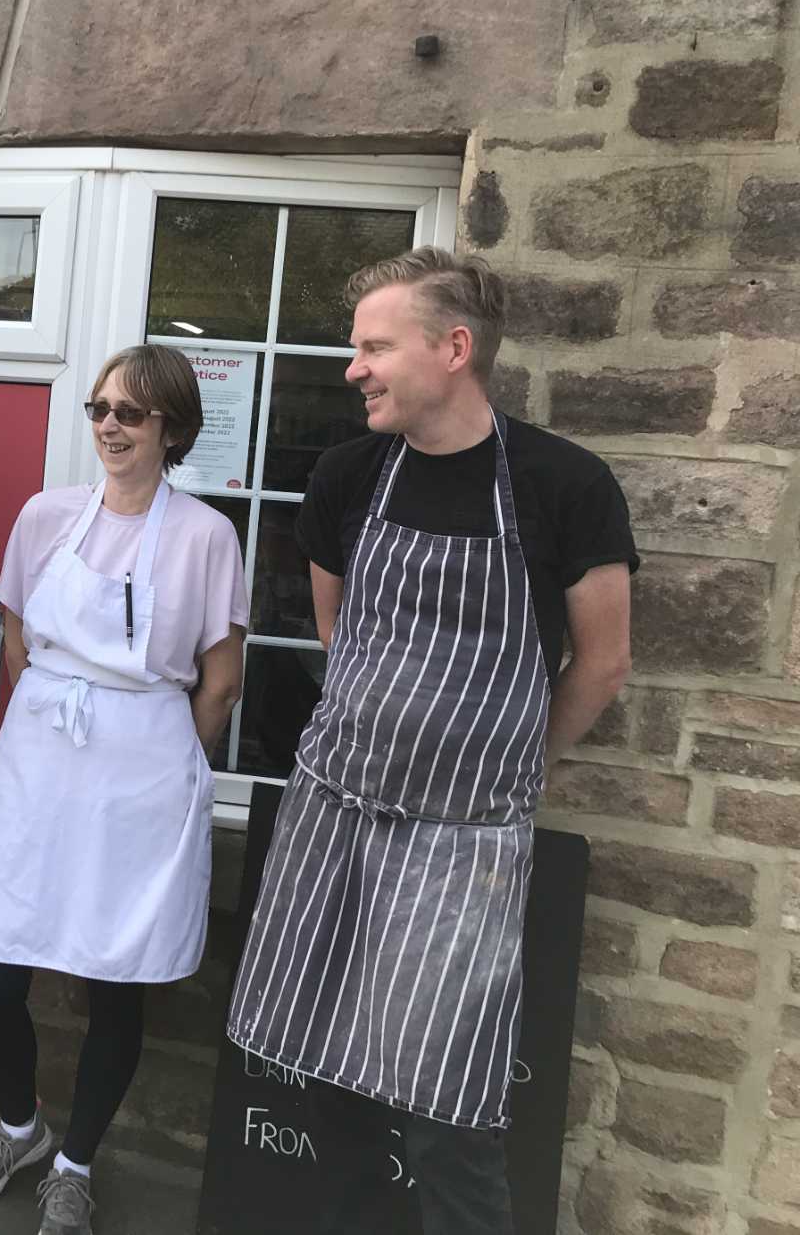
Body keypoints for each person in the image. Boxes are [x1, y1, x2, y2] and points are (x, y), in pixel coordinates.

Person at [227, 248, 636, 1234]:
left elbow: (602, 663)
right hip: (334, 814)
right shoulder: (348, 475)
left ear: (454, 349)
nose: (353, 368)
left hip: (464, 842)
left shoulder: (562, 485)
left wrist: (507, 766)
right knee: (325, 1072)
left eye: (374, 346)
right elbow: (344, 636)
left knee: (451, 1109)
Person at [0, 345, 247, 1235]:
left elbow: (219, 680)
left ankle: (74, 1163)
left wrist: (159, 761)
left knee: (120, 976)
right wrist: (51, 725)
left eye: (132, 413)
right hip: (42, 763)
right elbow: (13, 632)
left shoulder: (205, 535)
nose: (110, 426)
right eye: (100, 409)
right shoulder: (45, 516)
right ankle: (19, 1127)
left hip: (140, 773)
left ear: (172, 430)